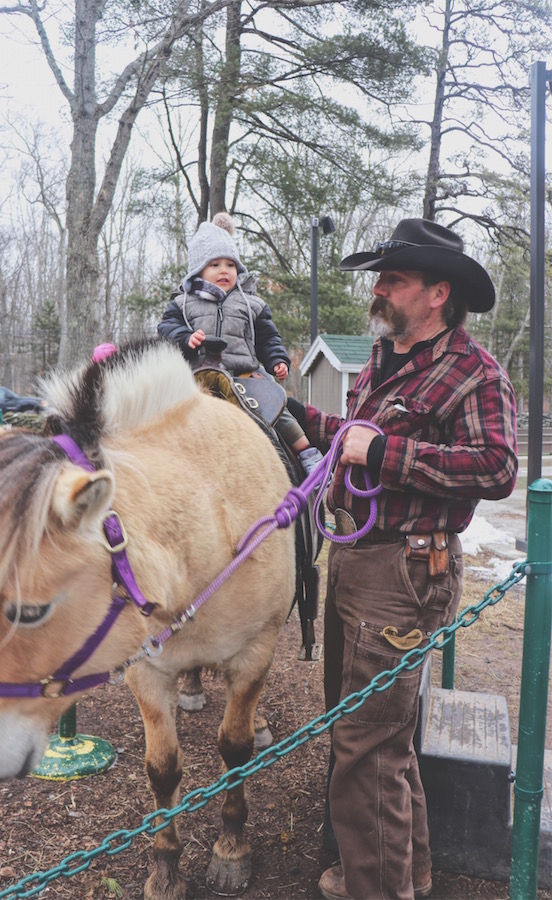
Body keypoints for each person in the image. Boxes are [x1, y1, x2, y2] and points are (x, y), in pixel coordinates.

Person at [287, 218, 518, 900]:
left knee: (365, 748)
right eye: (380, 278)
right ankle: (403, 873)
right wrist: (281, 409)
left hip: (406, 573)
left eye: (393, 280)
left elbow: (497, 466)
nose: (377, 290)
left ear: (437, 293)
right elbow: (349, 435)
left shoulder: (475, 373)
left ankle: (378, 889)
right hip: (360, 560)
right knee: (374, 738)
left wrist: (386, 455)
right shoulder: (385, 362)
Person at [159, 213, 323, 476]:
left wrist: (277, 360)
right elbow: (167, 329)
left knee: (275, 406)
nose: (224, 270)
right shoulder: (184, 302)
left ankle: (306, 453)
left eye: (230, 265)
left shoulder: (251, 304)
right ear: (198, 269)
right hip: (198, 376)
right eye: (215, 264)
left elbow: (268, 338)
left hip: (243, 376)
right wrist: (185, 339)